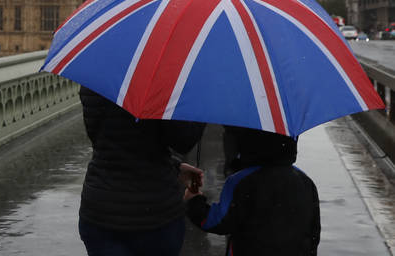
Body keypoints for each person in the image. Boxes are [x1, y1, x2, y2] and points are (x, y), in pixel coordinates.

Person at [78, 86, 205, 256]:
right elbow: (183, 141)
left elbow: (111, 142)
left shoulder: (94, 77)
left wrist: (175, 167)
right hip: (154, 214)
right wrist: (202, 101)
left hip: (100, 209)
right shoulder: (161, 81)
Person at [184, 126, 320, 255]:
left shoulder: (240, 181)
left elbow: (218, 222)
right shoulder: (305, 181)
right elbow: (314, 232)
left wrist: (194, 201)